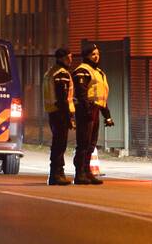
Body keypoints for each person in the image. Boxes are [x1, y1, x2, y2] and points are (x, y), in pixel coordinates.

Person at [72, 41, 113, 185]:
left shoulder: (99, 72)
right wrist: (87, 110)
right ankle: (79, 173)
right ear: (86, 56)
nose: (96, 56)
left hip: (95, 109)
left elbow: (101, 96)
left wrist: (107, 115)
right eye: (93, 54)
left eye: (97, 54)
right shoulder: (82, 71)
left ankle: (86, 171)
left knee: (91, 143)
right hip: (86, 110)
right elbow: (82, 93)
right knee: (83, 143)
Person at [42, 47, 75, 186]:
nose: (70, 60)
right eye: (68, 57)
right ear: (61, 58)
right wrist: (69, 117)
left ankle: (57, 174)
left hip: (53, 111)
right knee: (60, 145)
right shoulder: (61, 74)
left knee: (58, 143)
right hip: (60, 112)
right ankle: (56, 174)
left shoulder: (50, 72)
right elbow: (62, 98)